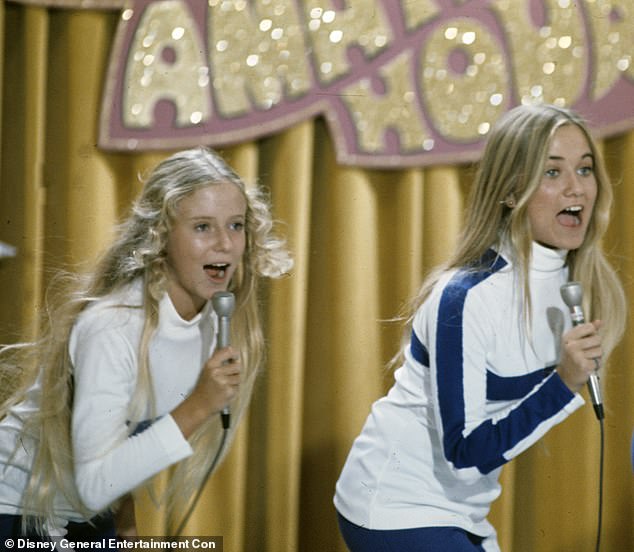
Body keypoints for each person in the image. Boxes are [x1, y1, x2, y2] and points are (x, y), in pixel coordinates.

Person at [333, 104, 626, 551]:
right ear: (510, 191)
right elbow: (465, 456)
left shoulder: (572, 287)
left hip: (463, 510)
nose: (576, 188)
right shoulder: (465, 296)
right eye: (552, 173)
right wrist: (564, 383)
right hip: (392, 503)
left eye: (585, 169)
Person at [0, 147, 293, 539]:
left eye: (236, 225)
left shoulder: (210, 322)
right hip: (19, 509)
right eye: (203, 227)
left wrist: (124, 516)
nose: (225, 243)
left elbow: (121, 428)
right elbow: (92, 483)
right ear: (160, 235)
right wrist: (200, 405)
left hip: (87, 511)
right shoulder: (113, 326)